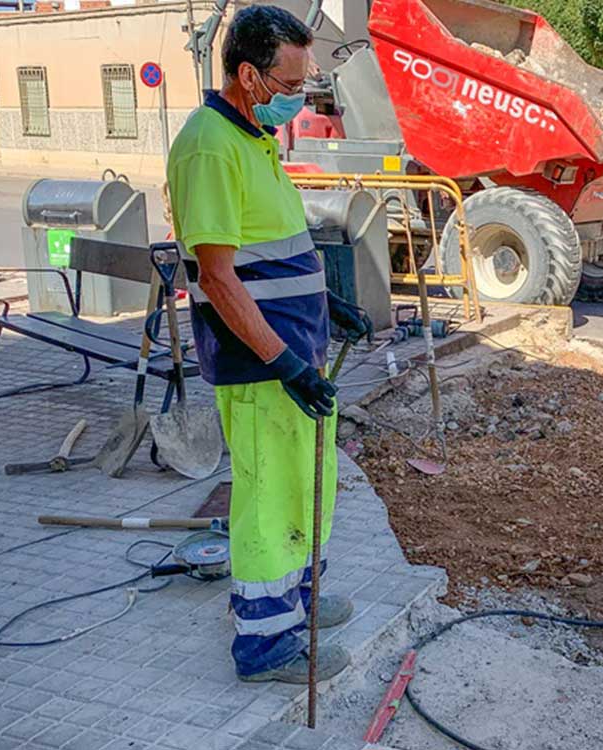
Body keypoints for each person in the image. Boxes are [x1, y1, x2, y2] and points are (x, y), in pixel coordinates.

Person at [166, 4, 374, 683]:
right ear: (249, 76)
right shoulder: (209, 145)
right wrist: (284, 362)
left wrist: (328, 302)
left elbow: (271, 250)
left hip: (293, 354)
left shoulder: (252, 135)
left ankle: (298, 604)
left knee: (305, 490)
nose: (299, 96)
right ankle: (264, 645)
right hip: (261, 368)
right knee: (265, 501)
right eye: (290, 85)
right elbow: (219, 277)